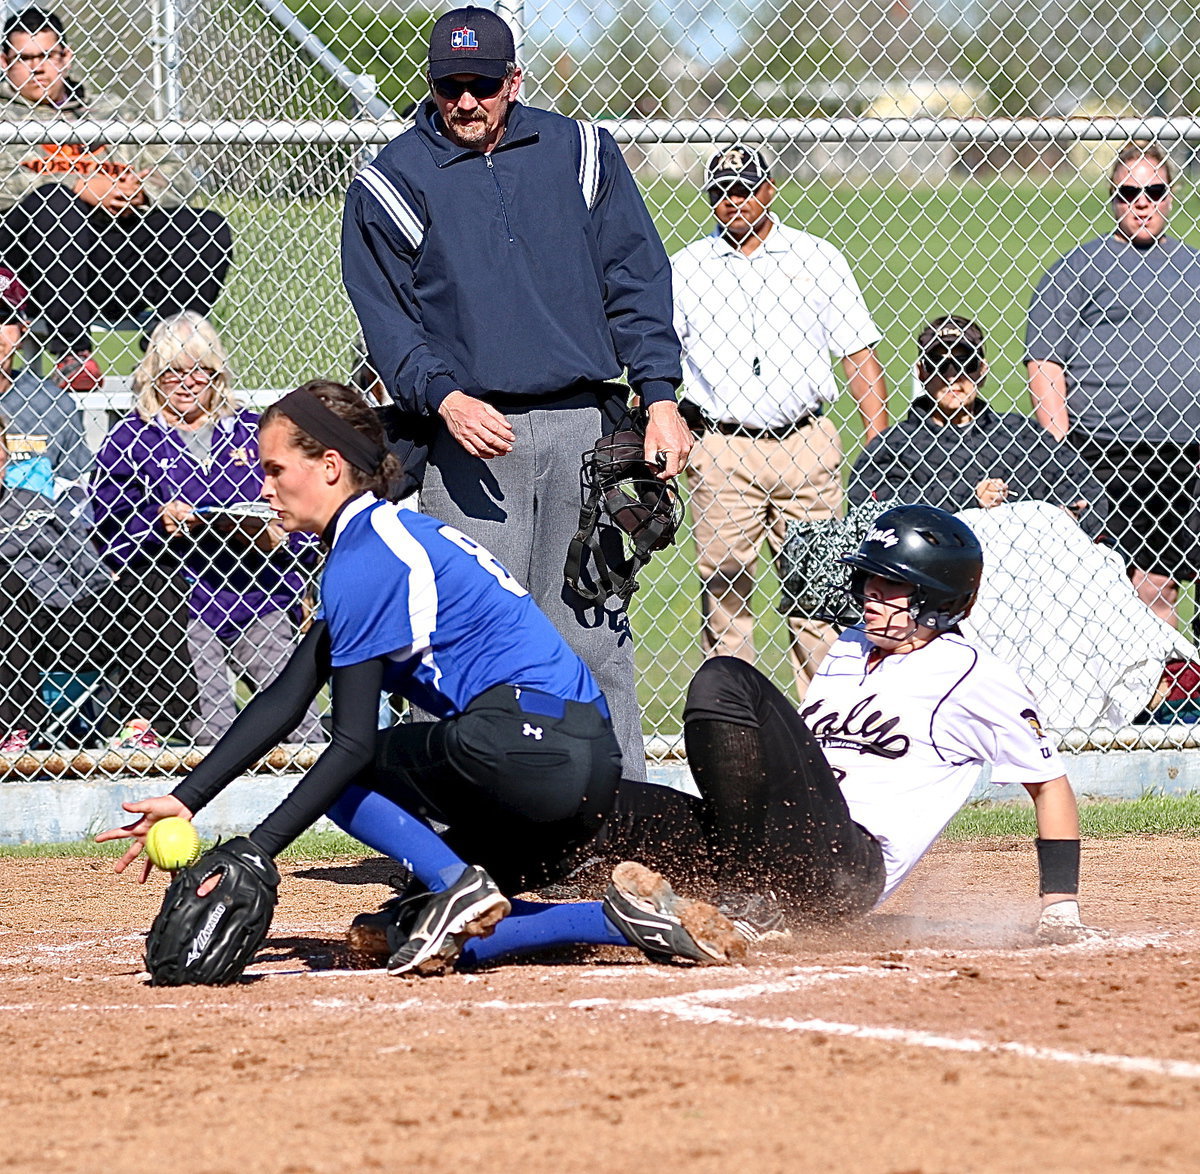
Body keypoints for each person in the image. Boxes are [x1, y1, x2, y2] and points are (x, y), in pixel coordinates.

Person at [96, 380, 742, 978]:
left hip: (530, 745)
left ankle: (460, 886)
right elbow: (286, 698)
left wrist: (258, 850)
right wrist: (188, 798)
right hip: (576, 768)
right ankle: (620, 917)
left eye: (275, 470)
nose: (264, 488)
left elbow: (350, 747)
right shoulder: (382, 541)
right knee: (409, 925)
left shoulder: (367, 559)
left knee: (349, 783)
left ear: (329, 467)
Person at [340, 6, 692, 785]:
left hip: (581, 429)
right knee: (461, 641)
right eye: (449, 85)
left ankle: (622, 823)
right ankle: (455, 842)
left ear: (514, 80)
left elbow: (636, 280)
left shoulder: (582, 153)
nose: (465, 101)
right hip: (468, 438)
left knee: (591, 636)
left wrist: (660, 395)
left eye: (482, 84)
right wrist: (445, 397)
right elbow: (388, 322)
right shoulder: (392, 179)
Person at [601, 505, 1094, 944]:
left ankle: (746, 893)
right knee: (606, 799)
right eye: (868, 582)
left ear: (936, 598)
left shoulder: (974, 675)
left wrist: (1060, 907)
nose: (870, 594)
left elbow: (1049, 784)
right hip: (770, 841)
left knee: (723, 677)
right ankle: (558, 894)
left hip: (844, 868)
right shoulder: (850, 646)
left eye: (891, 585)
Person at [671, 144, 888, 694]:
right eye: (721, 192)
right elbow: (660, 356)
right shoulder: (686, 268)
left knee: (821, 593)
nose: (733, 202)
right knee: (724, 592)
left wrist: (879, 437)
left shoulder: (816, 258)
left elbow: (857, 351)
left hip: (806, 442)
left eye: (744, 189)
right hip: (721, 447)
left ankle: (829, 720)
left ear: (769, 190)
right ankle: (735, 723)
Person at [90, 314, 323, 745]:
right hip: (185, 598)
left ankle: (322, 801)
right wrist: (157, 521)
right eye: (173, 372)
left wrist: (286, 535)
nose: (187, 382)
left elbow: (305, 501)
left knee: (298, 718)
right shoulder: (130, 438)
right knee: (212, 723)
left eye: (200, 370)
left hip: (260, 590)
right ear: (152, 375)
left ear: (217, 373)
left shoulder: (255, 430)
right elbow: (108, 521)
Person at [0, 7, 232, 390]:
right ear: (5, 61)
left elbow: (176, 173)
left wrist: (141, 192)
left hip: (110, 254)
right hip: (29, 262)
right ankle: (72, 352)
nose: (38, 69)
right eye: (25, 58)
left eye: (47, 56)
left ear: (66, 57)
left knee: (205, 228)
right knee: (55, 204)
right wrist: (80, 186)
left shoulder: (111, 110)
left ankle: (165, 353)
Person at [1025, 142, 1200, 628]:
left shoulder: (1194, 266)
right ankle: (1144, 700)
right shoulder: (1078, 268)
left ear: (1171, 196)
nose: (1141, 202)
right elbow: (1044, 360)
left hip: (1189, 450)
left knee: (1173, 582)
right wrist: (1059, 452)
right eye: (1129, 192)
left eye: (1154, 190)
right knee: (1137, 588)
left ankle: (1179, 700)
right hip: (1108, 451)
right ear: (1112, 197)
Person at [0, 424, 195, 752]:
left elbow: (84, 560)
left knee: (156, 577)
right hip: (14, 628)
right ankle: (12, 728)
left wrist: (109, 582)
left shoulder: (34, 502)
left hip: (67, 617)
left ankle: (143, 723)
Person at [851, 315, 1108, 536]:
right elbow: (872, 510)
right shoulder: (894, 446)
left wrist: (1065, 521)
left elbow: (1088, 493)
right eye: (938, 364)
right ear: (922, 372)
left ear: (982, 370)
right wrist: (968, 498)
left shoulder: (1021, 436)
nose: (951, 375)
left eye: (965, 363)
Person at [0, 263, 88, 497]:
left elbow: (75, 493)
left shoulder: (54, 404)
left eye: (3, 317)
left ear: (23, 329)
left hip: (33, 528)